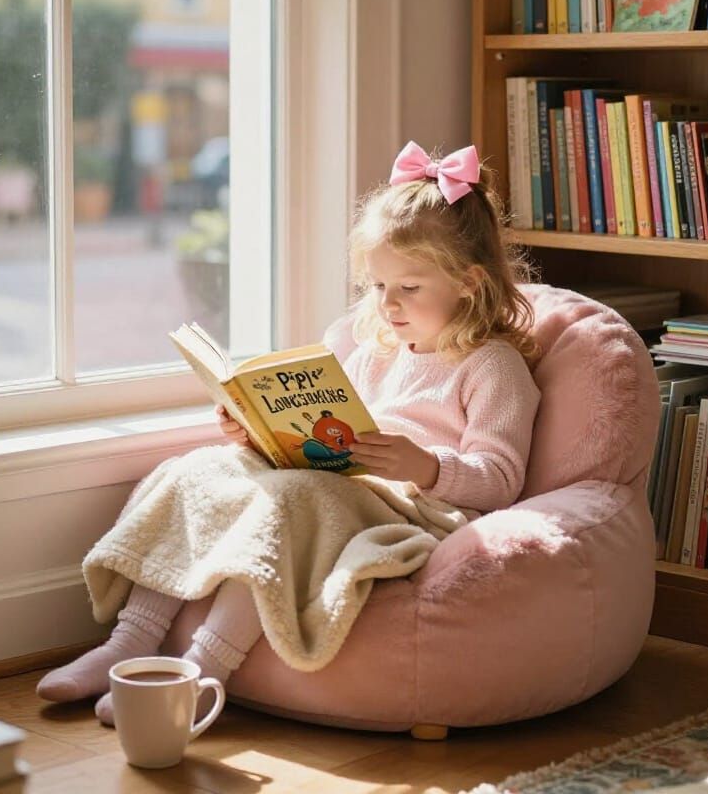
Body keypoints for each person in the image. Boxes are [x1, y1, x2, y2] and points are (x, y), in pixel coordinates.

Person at [36, 141, 542, 725]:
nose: (389, 305)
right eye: (378, 287)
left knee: (294, 501)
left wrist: (423, 465)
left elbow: (502, 480)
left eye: (409, 288)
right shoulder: (376, 348)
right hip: (343, 483)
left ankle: (205, 670)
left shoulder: (492, 366)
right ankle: (129, 643)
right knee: (201, 470)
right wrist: (258, 430)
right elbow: (330, 423)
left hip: (415, 505)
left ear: (469, 283)